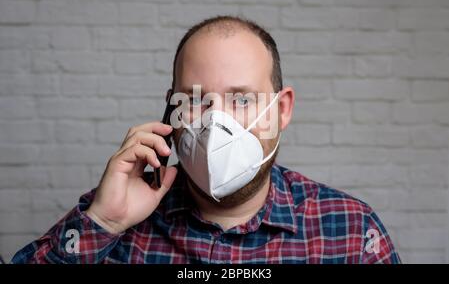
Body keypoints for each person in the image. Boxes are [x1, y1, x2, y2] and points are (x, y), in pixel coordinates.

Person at [12, 16, 400, 264]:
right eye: (196, 100)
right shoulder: (113, 222)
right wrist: (104, 221)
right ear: (172, 112)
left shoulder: (348, 232)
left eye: (243, 99)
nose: (217, 121)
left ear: (282, 111)